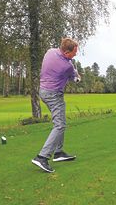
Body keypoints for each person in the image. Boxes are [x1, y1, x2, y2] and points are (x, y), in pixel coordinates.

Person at [32, 38, 81, 173]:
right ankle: (42, 157)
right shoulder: (67, 66)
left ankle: (58, 153)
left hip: (43, 91)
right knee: (59, 125)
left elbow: (67, 64)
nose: (76, 54)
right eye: (74, 52)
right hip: (54, 95)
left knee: (61, 122)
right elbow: (74, 78)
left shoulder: (50, 51)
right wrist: (77, 77)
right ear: (66, 52)